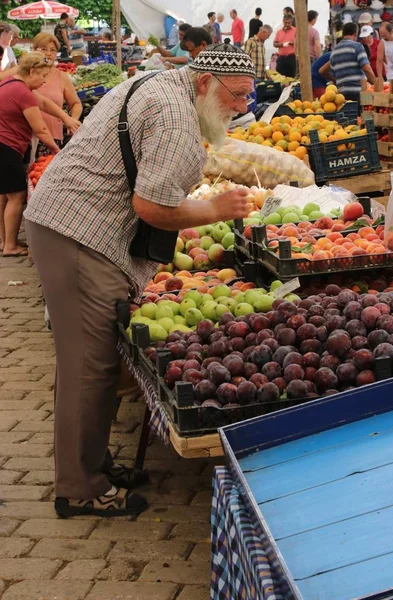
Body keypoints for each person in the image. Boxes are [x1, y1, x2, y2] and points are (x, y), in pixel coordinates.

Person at [23, 44, 255, 518]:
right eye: (236, 96)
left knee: (92, 362)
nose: (241, 107)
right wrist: (214, 209)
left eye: (247, 97)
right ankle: (81, 487)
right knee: (90, 367)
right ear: (206, 82)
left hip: (71, 224)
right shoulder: (175, 118)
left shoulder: (164, 86)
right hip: (78, 233)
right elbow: (150, 207)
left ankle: (94, 464)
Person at [0, 53, 68, 257]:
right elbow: (41, 130)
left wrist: (66, 118)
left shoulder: (9, 84)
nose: (45, 80)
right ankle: (10, 246)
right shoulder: (24, 93)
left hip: (2, 145)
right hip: (7, 147)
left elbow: (46, 104)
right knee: (17, 196)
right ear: (31, 72)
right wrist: (58, 152)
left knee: (4, 195)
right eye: (43, 75)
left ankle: (5, 240)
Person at [32, 33, 82, 153]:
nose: (48, 53)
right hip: (28, 136)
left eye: (53, 50)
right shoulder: (28, 74)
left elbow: (75, 103)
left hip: (53, 136)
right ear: (34, 50)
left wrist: (73, 120)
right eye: (44, 49)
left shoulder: (62, 77)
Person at [322, 23, 375, 105]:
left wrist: (337, 81)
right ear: (355, 35)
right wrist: (376, 85)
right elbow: (366, 69)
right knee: (364, 115)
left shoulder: (334, 51)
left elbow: (326, 71)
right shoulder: (357, 46)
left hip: (342, 95)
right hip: (359, 92)